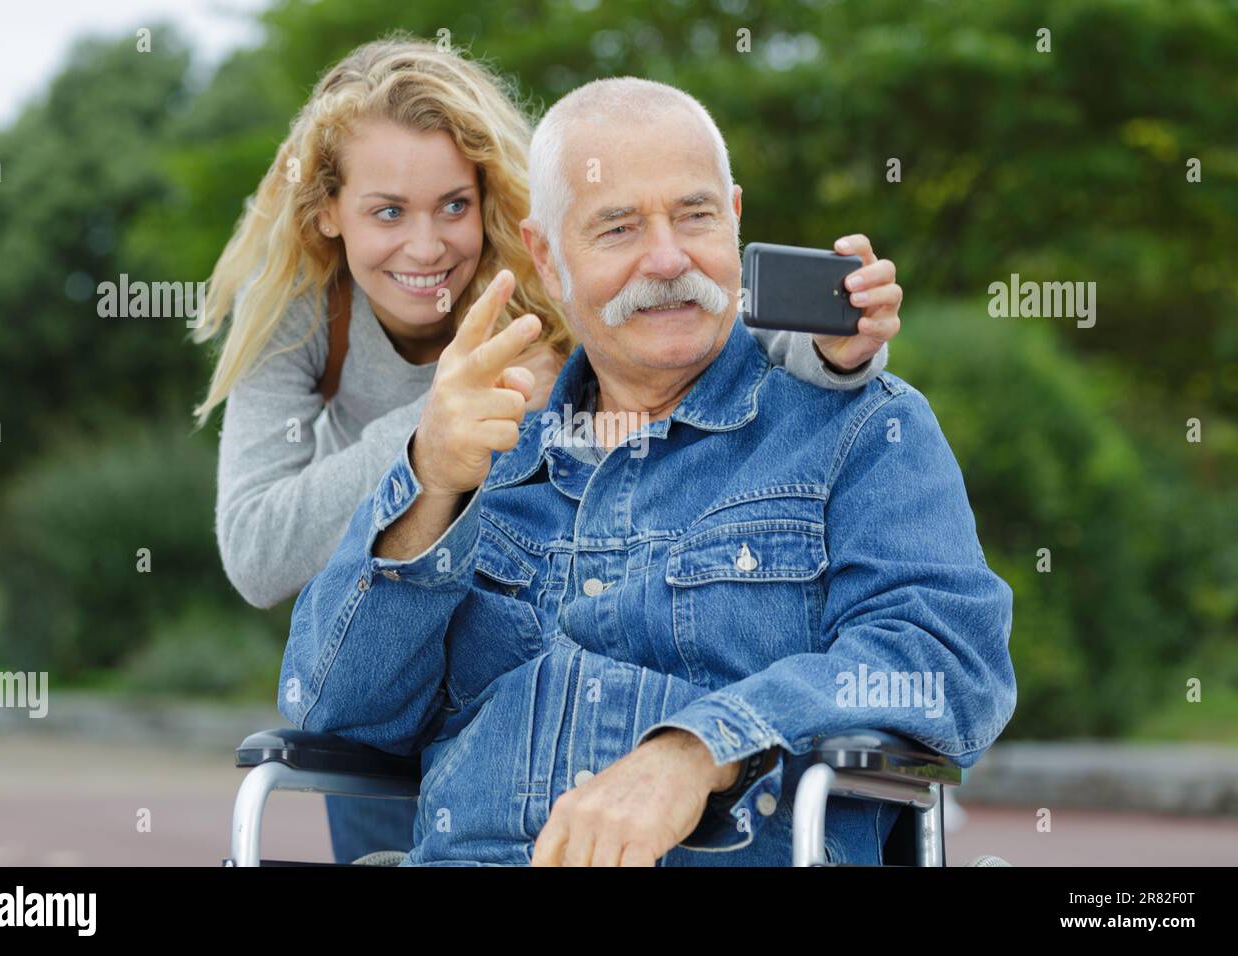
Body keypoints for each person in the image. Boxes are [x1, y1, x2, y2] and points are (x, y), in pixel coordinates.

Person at [193, 37, 903, 863]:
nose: (426, 248)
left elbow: (682, 301)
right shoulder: (300, 308)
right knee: (373, 761)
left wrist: (833, 354)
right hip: (396, 612)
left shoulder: (554, 277)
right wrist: (436, 435)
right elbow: (255, 554)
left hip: (608, 676)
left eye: (453, 206)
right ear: (328, 211)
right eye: (388, 211)